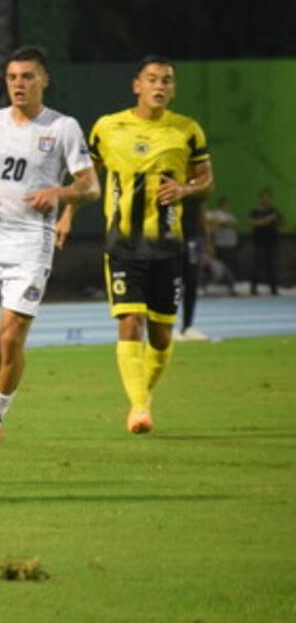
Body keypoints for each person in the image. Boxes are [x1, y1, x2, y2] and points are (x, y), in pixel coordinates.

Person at [0, 47, 99, 442]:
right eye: (13, 77)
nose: (19, 84)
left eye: (28, 76)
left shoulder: (62, 127)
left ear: (44, 80)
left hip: (31, 244)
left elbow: (91, 187)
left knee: (11, 336)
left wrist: (60, 192)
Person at [88, 56, 213, 434]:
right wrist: (65, 214)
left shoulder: (187, 131)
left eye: (167, 81)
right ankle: (140, 409)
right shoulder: (107, 128)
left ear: (173, 89)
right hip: (123, 245)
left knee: (160, 335)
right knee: (130, 323)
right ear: (136, 85)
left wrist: (184, 189)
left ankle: (141, 398)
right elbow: (87, 176)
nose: (160, 86)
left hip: (167, 247)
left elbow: (205, 179)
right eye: (153, 79)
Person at [176, 195, 210, 341]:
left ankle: (188, 326)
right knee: (171, 284)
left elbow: (201, 211)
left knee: (191, 282)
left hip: (192, 239)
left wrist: (207, 239)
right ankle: (168, 326)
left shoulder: (194, 189)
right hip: (172, 238)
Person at [247, 189, 282, 296]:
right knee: (257, 266)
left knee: (272, 266)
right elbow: (252, 223)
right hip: (259, 243)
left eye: (268, 198)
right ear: (260, 199)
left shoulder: (274, 210)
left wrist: (276, 220)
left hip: (272, 243)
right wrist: (267, 219)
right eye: (264, 198)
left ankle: (273, 289)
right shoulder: (255, 211)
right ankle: (253, 288)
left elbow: (281, 223)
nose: (266, 200)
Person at [205, 196, 239, 292]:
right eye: (226, 204)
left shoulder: (229, 215)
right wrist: (224, 223)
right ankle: (221, 286)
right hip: (220, 245)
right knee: (222, 266)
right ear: (222, 204)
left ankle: (230, 286)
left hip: (230, 244)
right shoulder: (216, 214)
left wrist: (225, 223)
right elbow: (215, 224)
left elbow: (235, 223)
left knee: (230, 266)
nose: (228, 206)